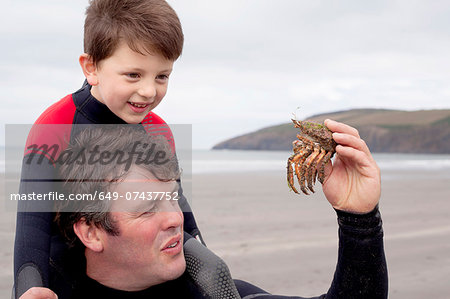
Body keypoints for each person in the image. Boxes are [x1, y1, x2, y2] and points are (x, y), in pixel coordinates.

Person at [20, 120, 388, 299]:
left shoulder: (216, 291)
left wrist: (359, 219)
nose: (174, 218)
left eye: (171, 197)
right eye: (147, 208)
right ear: (91, 232)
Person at [13, 0, 203, 297]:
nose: (149, 91)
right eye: (133, 75)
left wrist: (205, 260)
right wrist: (30, 287)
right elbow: (31, 224)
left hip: (140, 270)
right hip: (69, 273)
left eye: (162, 76)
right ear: (92, 67)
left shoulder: (158, 130)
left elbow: (178, 206)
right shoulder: (55, 125)